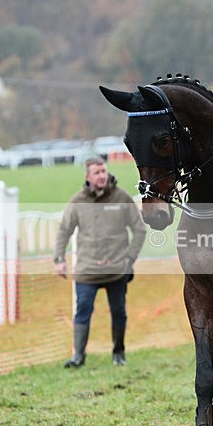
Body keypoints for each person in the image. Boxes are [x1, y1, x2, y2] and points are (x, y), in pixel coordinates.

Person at [54, 157, 147, 367]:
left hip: (117, 269)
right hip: (87, 270)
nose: (102, 175)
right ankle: (78, 356)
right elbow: (64, 231)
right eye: (96, 172)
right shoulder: (77, 201)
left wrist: (130, 258)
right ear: (87, 177)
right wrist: (59, 259)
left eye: (103, 171)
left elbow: (140, 229)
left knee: (119, 312)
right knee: (83, 310)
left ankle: (118, 354)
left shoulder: (121, 197)